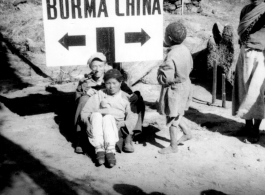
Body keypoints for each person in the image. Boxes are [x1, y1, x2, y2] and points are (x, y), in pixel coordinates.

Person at [74, 52, 144, 154]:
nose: (97, 69)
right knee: (83, 100)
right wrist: (85, 92)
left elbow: (126, 90)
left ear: (105, 66)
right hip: (97, 110)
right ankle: (80, 138)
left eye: (100, 66)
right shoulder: (86, 81)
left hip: (115, 110)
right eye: (94, 66)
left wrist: (134, 95)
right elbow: (77, 95)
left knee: (137, 99)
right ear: (90, 67)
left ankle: (128, 136)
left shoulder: (111, 76)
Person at [80, 69, 137, 167]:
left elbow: (132, 116)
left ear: (120, 83)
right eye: (108, 83)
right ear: (104, 83)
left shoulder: (125, 97)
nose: (111, 86)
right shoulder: (100, 94)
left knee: (107, 118)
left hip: (115, 129)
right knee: (96, 115)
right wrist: (87, 123)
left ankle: (110, 151)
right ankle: (99, 150)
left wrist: (124, 123)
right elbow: (85, 112)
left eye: (114, 83)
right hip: (97, 127)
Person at [157, 22, 193, 154]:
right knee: (178, 113)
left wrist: (159, 75)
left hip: (174, 90)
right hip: (185, 85)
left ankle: (173, 146)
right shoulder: (185, 49)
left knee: (172, 118)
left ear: (170, 38)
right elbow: (191, 67)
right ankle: (188, 133)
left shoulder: (171, 56)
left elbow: (167, 78)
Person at [232, 0, 265, 143]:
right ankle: (247, 125)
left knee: (257, 92)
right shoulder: (246, 9)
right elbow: (241, 32)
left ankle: (256, 129)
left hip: (262, 55)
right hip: (245, 53)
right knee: (243, 90)